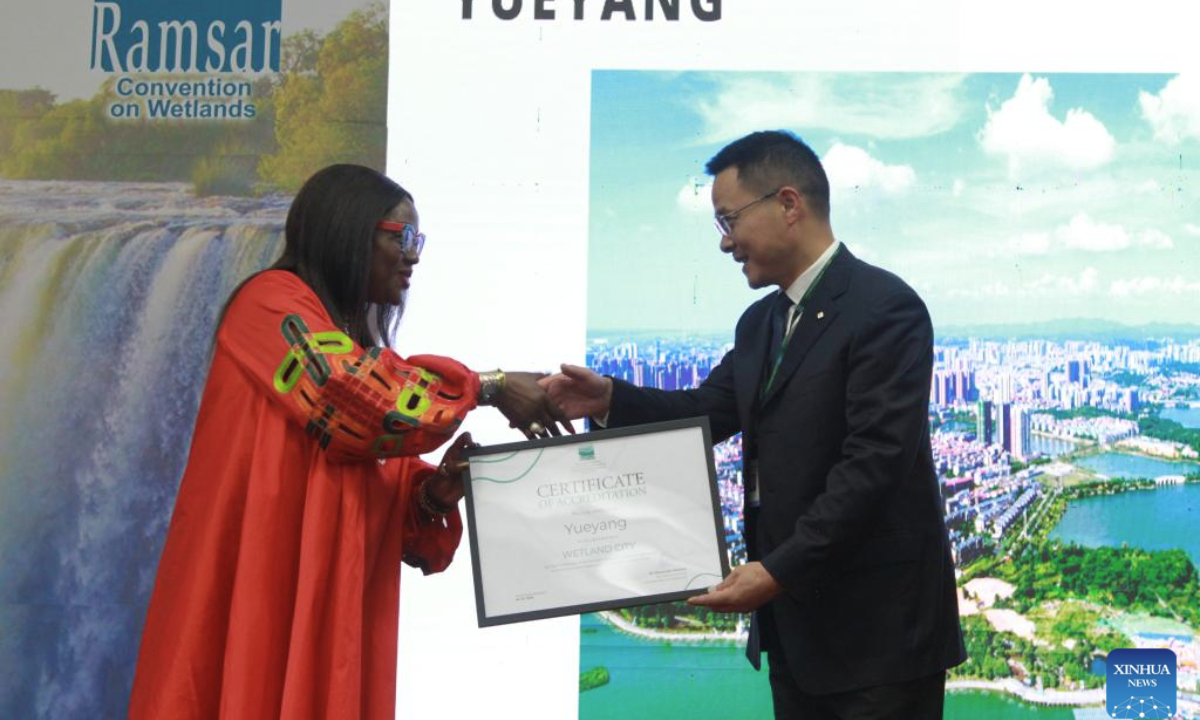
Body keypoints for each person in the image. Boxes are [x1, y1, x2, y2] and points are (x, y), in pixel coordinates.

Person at [543, 131, 965, 719]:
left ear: (788, 204)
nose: (725, 244)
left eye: (729, 220)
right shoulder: (759, 323)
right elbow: (707, 412)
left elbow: (874, 465)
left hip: (879, 640)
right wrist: (608, 398)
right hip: (796, 633)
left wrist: (775, 573)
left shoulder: (884, 307)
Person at [128, 164, 566, 720]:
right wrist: (490, 387)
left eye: (418, 240)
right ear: (349, 229)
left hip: (323, 605)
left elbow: (367, 495)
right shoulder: (268, 305)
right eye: (402, 236)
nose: (414, 254)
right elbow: (356, 399)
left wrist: (438, 489)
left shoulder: (346, 342)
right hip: (262, 596)